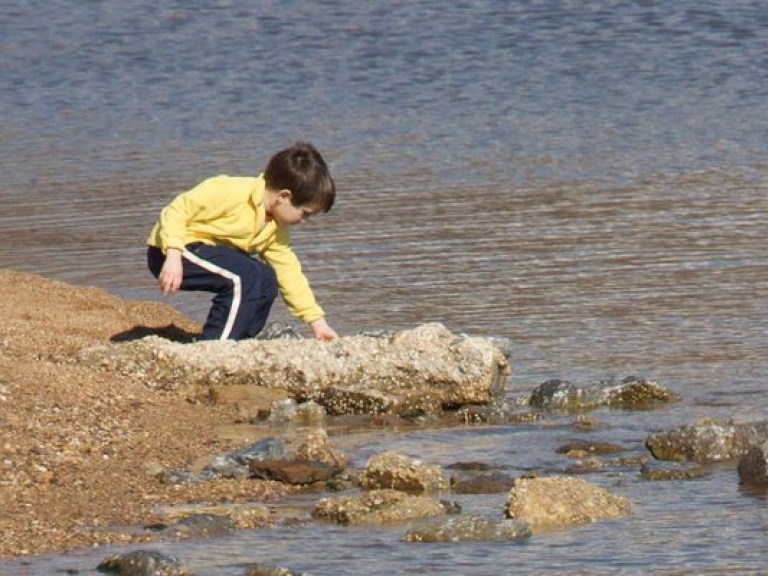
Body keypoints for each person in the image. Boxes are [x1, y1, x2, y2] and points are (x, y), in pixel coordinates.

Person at [146, 141, 338, 341]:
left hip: (207, 252)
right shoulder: (230, 191)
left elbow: (289, 272)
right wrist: (174, 254)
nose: (304, 222)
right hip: (170, 251)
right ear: (284, 196)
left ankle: (242, 340)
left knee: (266, 279)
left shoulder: (275, 226)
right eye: (305, 213)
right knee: (243, 277)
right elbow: (176, 210)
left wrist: (317, 322)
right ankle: (216, 344)